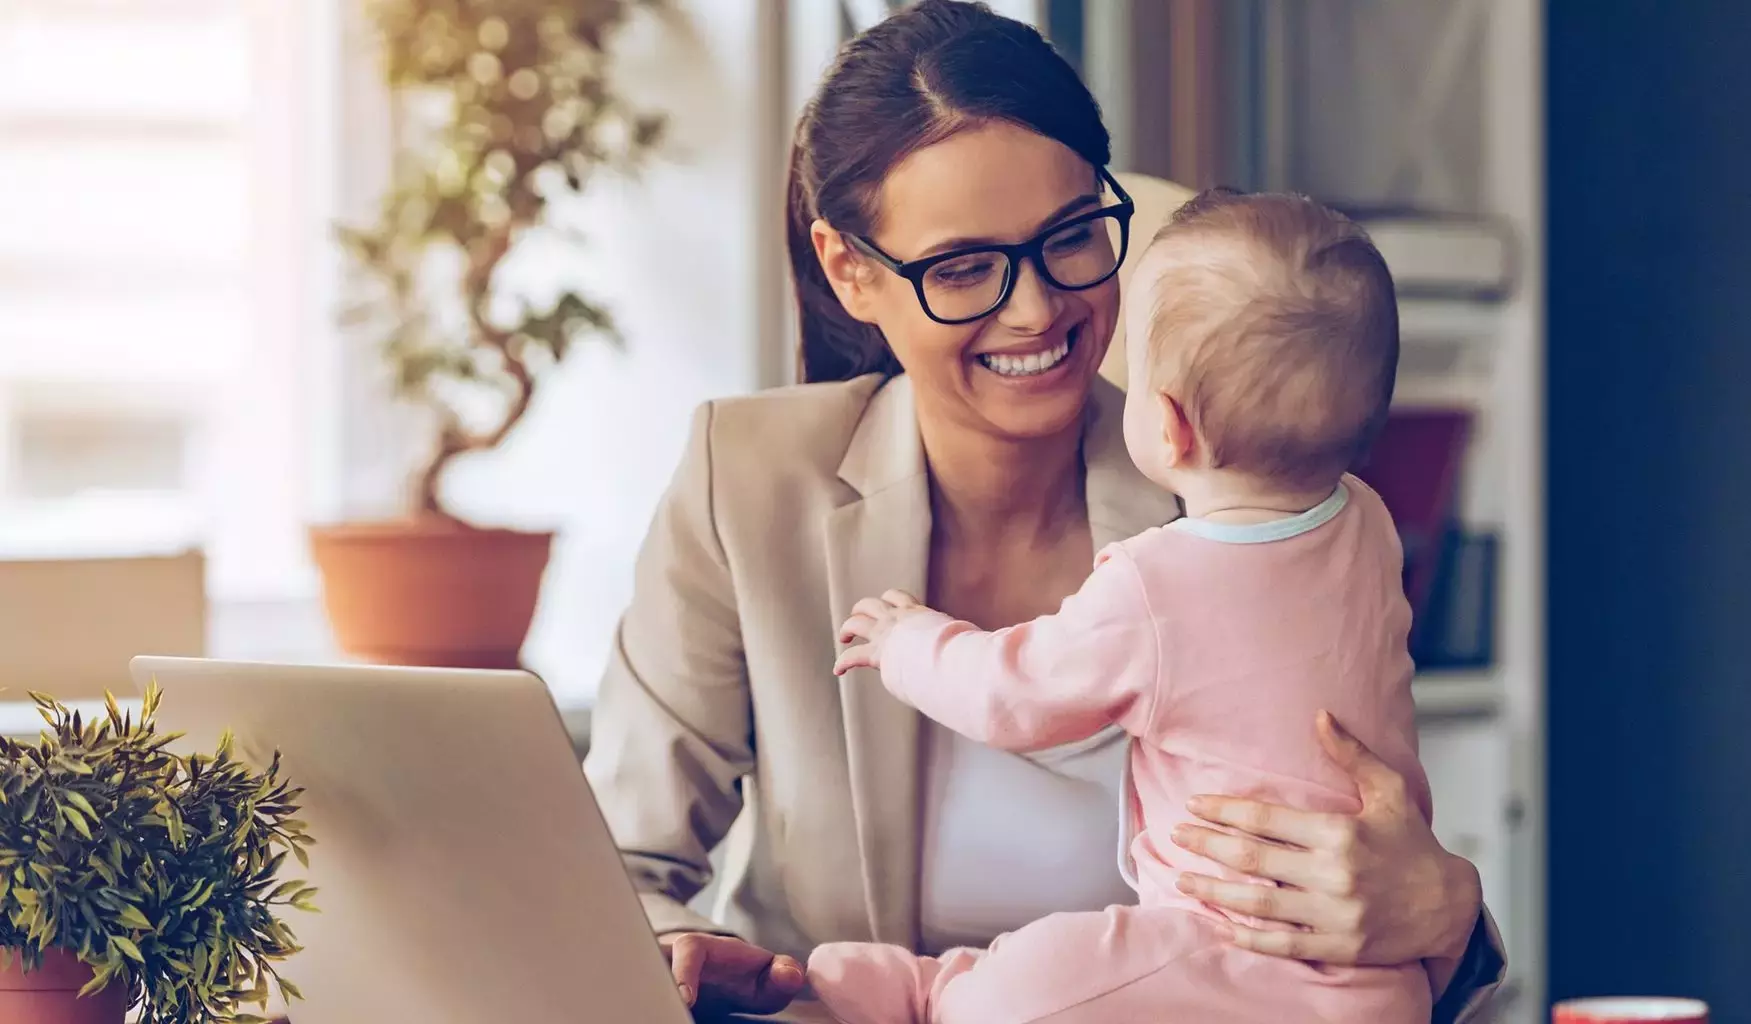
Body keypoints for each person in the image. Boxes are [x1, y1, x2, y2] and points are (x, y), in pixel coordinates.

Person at [582, 2, 1503, 1020]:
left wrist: (1443, 908)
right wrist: (678, 958)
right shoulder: (745, 480)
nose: (1036, 310)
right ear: (852, 272)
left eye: (1070, 238)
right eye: (964, 267)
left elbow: (1375, 852)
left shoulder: (1242, 491)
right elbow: (618, 864)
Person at [807, 189, 1432, 1024]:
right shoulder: (1369, 525)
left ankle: (935, 994)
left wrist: (910, 639)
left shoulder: (1158, 584)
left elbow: (1015, 694)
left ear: (1167, 428)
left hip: (1227, 946)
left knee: (1041, 980)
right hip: (1384, 982)